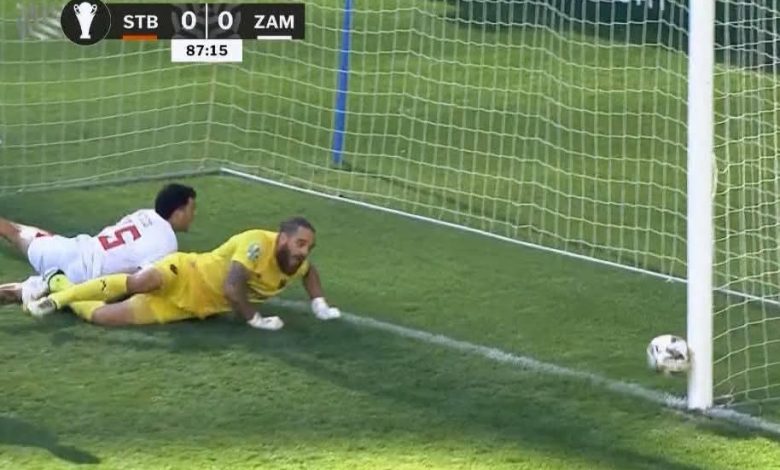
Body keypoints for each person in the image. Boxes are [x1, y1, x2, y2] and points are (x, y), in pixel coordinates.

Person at [27, 217, 341, 330]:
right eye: (300, 243)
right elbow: (232, 288)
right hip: (185, 271)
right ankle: (57, 300)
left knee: (104, 318)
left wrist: (320, 304)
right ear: (282, 238)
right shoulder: (257, 244)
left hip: (190, 307)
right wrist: (256, 320)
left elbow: (309, 273)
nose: (304, 252)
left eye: (309, 247)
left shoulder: (295, 261)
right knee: (140, 281)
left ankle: (57, 281)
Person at [0, 183, 197, 307]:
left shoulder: (144, 214)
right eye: (191, 209)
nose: (193, 215)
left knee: (17, 232)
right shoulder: (167, 243)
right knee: (20, 292)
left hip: (72, 249)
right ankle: (31, 288)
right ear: (178, 212)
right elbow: (138, 282)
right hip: (82, 278)